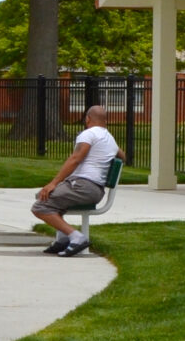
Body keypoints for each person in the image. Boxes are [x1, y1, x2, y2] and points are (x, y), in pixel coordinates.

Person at [31, 104, 121, 256]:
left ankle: (76, 237)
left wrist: (54, 183)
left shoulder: (88, 134)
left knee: (40, 205)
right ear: (105, 120)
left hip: (83, 186)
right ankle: (62, 239)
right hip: (95, 189)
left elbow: (75, 159)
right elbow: (122, 156)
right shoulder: (110, 139)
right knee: (44, 195)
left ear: (88, 119)